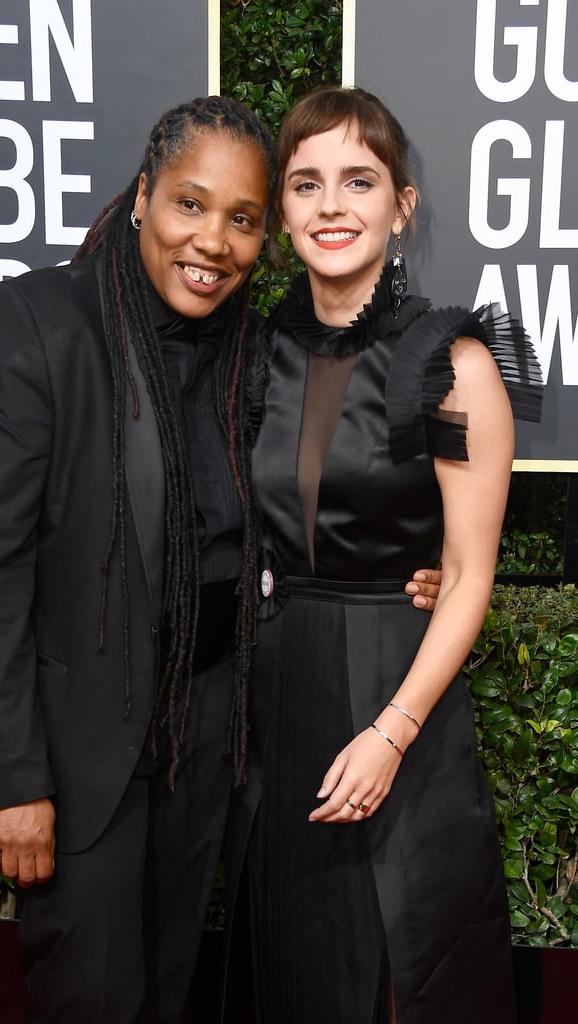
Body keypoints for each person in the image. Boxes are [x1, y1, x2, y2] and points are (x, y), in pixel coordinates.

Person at [0, 93, 439, 1023]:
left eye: (243, 220)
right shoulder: (33, 325)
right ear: (140, 197)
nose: (213, 241)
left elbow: (295, 508)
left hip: (207, 736)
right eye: (189, 205)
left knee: (166, 992)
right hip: (78, 751)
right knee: (94, 998)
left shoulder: (250, 345)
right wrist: (10, 782)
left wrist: (406, 566)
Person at [242, 86, 543, 1024]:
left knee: (403, 954)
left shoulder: (450, 361)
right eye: (306, 183)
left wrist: (391, 731)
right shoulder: (251, 355)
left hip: (397, 683)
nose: (331, 206)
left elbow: (465, 575)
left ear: (400, 204)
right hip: (273, 686)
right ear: (282, 208)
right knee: (289, 956)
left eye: (358, 181)